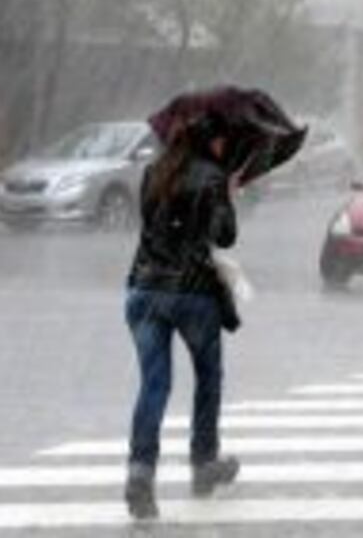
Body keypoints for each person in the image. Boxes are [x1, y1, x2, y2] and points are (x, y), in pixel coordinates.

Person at [123, 97, 242, 520]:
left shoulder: (154, 172)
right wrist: (227, 195)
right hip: (192, 294)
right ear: (210, 141)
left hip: (143, 288)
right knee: (208, 378)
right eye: (223, 141)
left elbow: (152, 227)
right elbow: (224, 236)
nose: (225, 147)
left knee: (154, 385)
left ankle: (140, 472)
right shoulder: (212, 178)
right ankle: (203, 464)